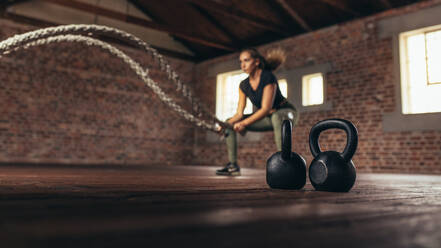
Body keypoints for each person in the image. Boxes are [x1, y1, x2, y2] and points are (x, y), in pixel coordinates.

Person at [216, 47, 298, 176]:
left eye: (246, 60)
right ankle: (233, 166)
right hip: (267, 118)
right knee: (228, 123)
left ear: (256, 62)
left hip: (285, 113)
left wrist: (244, 124)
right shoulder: (244, 85)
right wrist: (223, 125)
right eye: (241, 61)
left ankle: (284, 164)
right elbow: (239, 114)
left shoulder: (267, 77)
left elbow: (265, 108)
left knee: (276, 117)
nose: (243, 65)